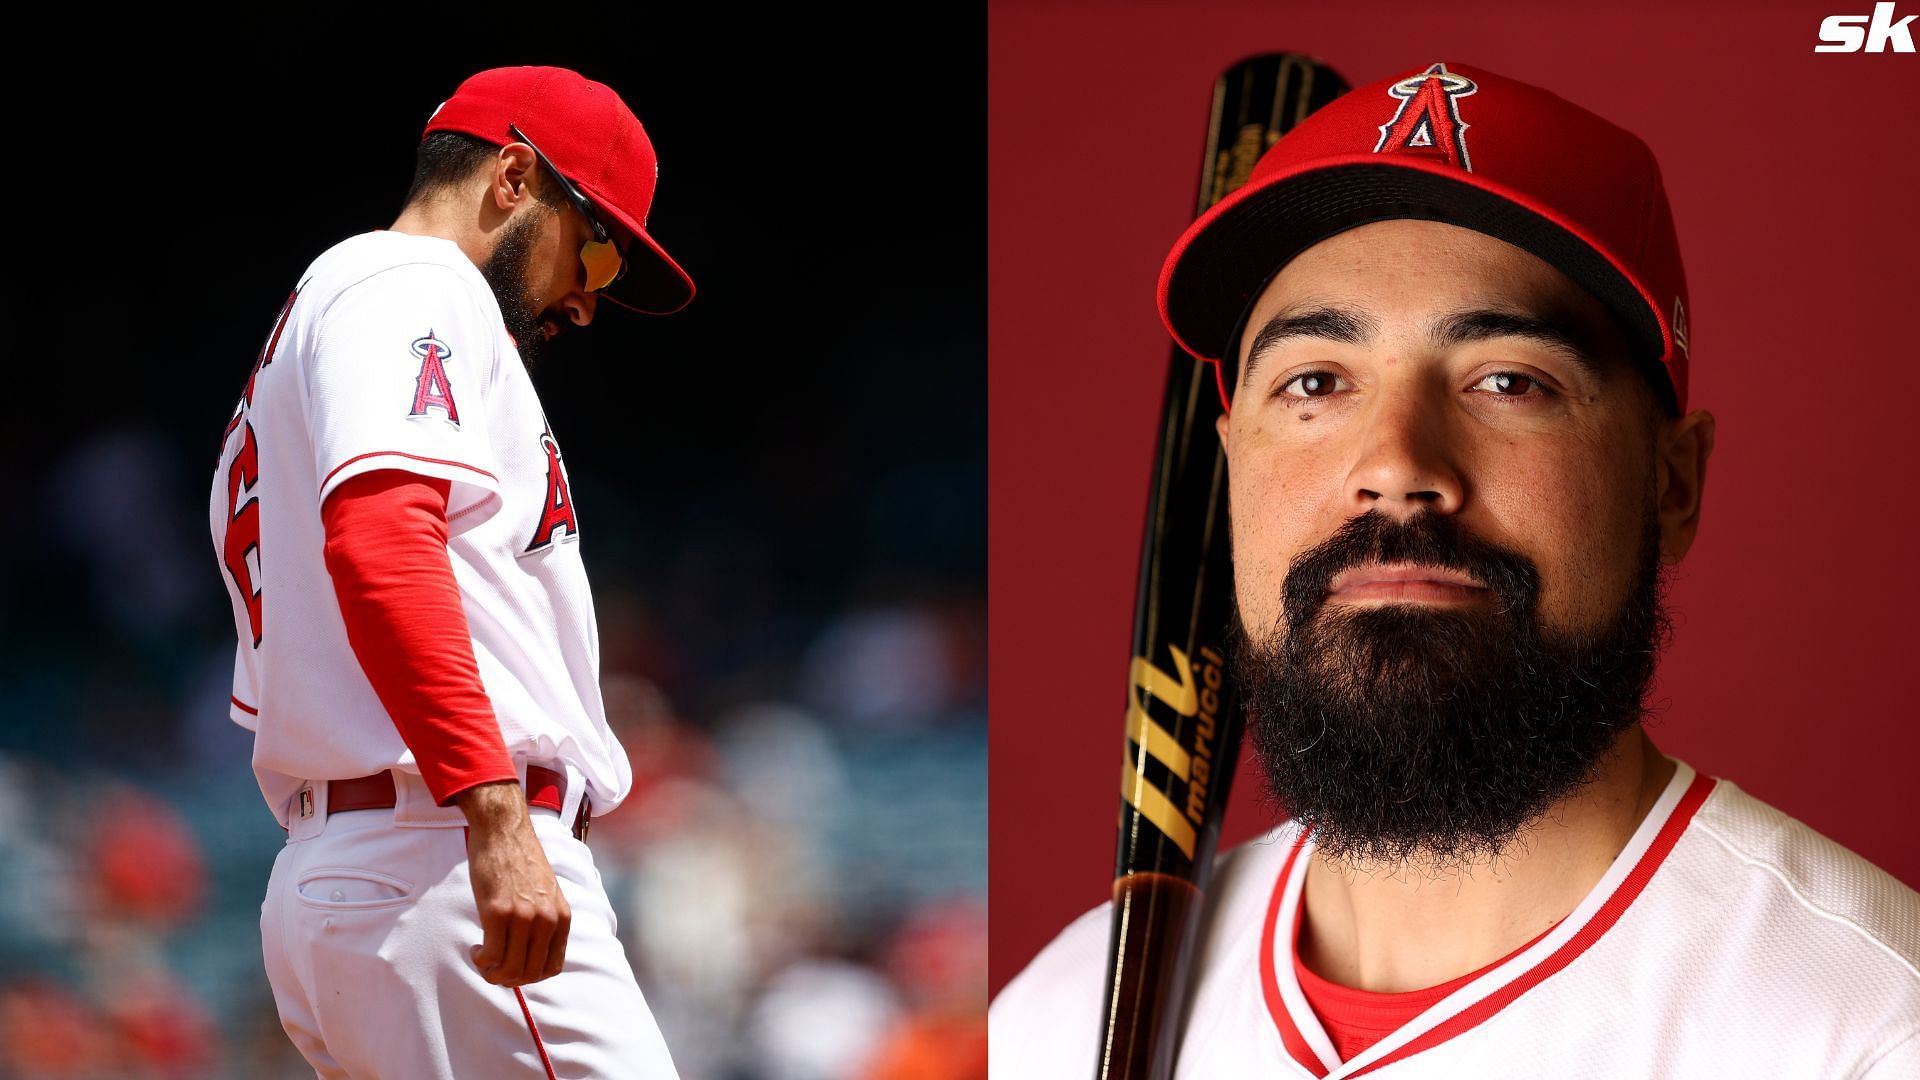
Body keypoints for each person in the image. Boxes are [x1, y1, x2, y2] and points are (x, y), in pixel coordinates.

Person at [990, 60, 1920, 1078]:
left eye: (1507, 381)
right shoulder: (1055, 1025)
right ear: (1227, 476)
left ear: (1673, 485)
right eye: (1315, 382)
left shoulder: (1867, 1030)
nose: (1395, 466)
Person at [207, 65, 693, 1078]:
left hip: (366, 859)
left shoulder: (310, 326)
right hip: (438, 852)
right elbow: (383, 542)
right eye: (595, 248)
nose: (588, 299)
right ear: (514, 176)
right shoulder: (410, 285)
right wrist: (493, 809)